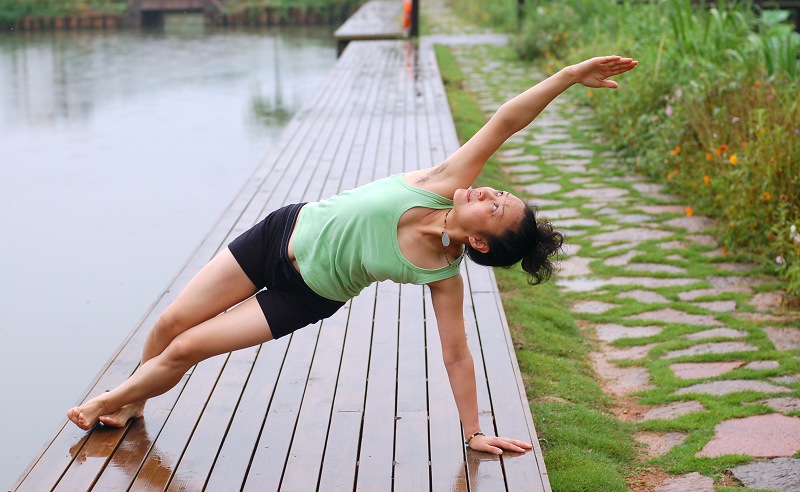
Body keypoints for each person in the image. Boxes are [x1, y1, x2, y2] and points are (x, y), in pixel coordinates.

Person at [68, 55, 637, 455]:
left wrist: (472, 432)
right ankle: (131, 405)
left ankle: (108, 402)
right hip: (278, 234)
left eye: (493, 208)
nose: (487, 192)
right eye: (496, 193)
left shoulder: (441, 273)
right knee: (171, 322)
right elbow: (508, 120)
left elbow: (457, 355)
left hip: (305, 295)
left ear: (481, 243)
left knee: (188, 346)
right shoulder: (445, 180)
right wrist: (568, 76)